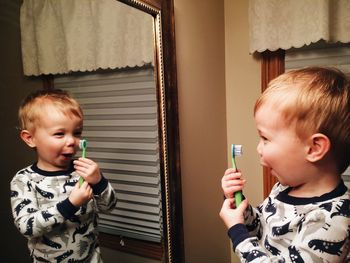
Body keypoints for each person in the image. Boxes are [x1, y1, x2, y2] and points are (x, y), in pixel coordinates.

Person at [220, 67, 350, 262]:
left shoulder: (333, 220)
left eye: (265, 138)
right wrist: (239, 205)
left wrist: (238, 234)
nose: (259, 148)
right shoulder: (284, 188)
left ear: (314, 148)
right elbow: (261, 228)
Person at [10, 89, 117, 262]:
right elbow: (27, 227)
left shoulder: (83, 171)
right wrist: (71, 204)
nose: (71, 141)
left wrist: (99, 182)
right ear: (30, 138)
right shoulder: (24, 180)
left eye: (76, 133)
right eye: (60, 134)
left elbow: (109, 206)